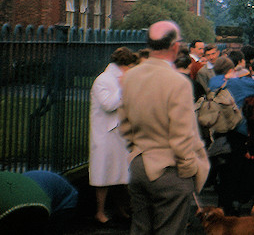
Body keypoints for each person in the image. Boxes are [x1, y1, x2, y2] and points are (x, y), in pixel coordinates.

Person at [119, 20, 210, 235]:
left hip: (139, 163)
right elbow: (182, 134)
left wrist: (135, 151)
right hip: (170, 168)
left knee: (140, 228)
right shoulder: (177, 82)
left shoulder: (130, 77)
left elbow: (123, 124)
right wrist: (189, 169)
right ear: (175, 46)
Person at [89, 46, 138, 225]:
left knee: (120, 174)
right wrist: (123, 88)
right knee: (103, 174)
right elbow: (108, 104)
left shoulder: (118, 78)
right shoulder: (103, 80)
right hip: (105, 135)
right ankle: (99, 212)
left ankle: (120, 209)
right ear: (124, 65)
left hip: (119, 134)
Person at [210, 54, 254, 214]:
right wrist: (240, 76)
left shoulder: (212, 82)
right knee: (234, 170)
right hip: (237, 132)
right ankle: (232, 208)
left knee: (222, 169)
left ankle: (222, 205)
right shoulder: (236, 84)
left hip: (217, 131)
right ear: (231, 70)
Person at [23, 170, 79, 235]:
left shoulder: (41, 196)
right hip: (49, 191)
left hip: (66, 201)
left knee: (52, 228)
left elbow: (43, 214)